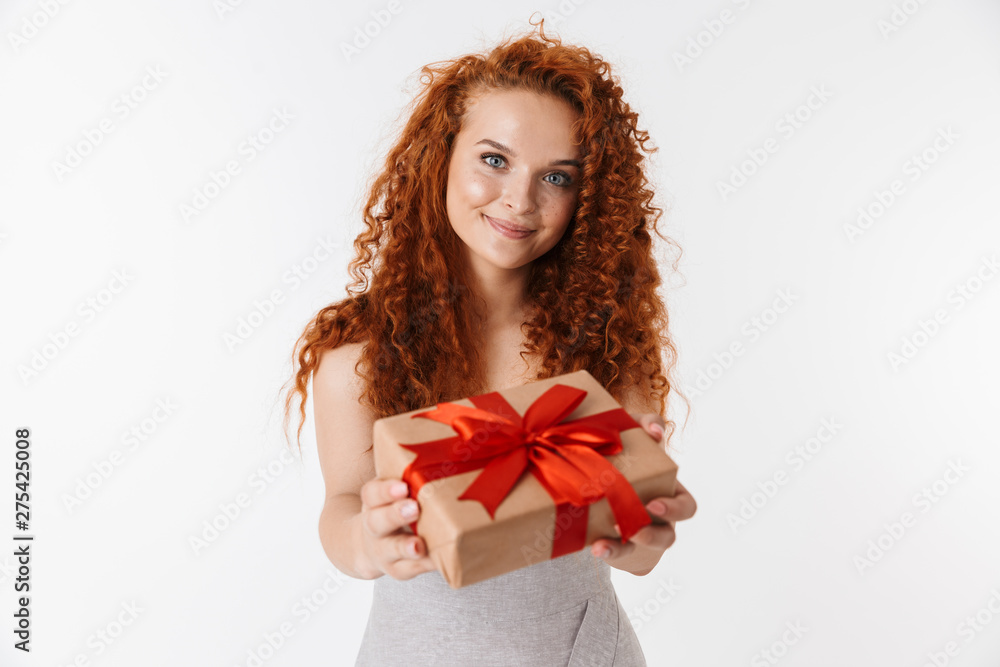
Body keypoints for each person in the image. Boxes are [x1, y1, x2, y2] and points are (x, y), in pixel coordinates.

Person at [282, 18, 697, 666]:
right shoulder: (359, 361)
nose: (519, 200)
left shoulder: (608, 353)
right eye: (494, 159)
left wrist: (647, 533)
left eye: (557, 176)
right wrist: (369, 537)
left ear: (586, 198)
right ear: (441, 155)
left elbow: (637, 546)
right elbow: (341, 509)